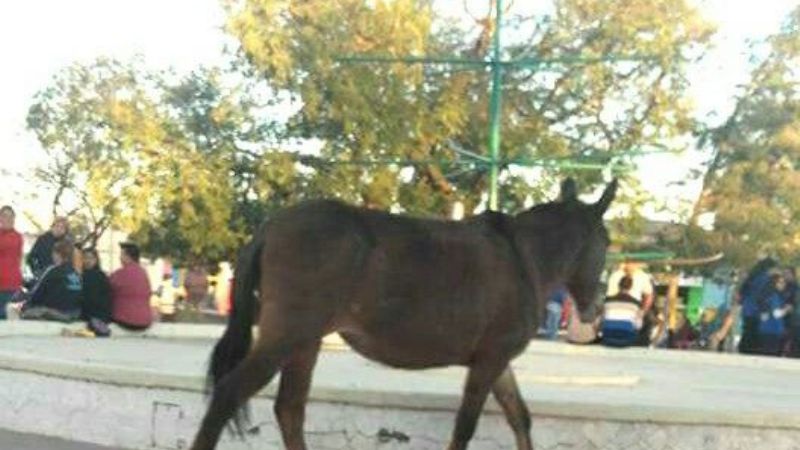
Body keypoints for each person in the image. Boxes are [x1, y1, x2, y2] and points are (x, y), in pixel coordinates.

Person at [20, 240, 82, 322]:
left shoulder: (53, 271)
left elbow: (38, 293)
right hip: (73, 313)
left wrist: (25, 305)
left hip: (54, 312)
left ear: (57, 254)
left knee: (15, 309)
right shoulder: (76, 273)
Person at [606, 261, 654, 345]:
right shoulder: (617, 275)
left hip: (613, 308)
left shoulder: (615, 275)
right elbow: (649, 297)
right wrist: (642, 313)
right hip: (633, 309)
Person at [109, 242, 153, 330]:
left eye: (122, 255)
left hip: (126, 320)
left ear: (127, 256)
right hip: (145, 321)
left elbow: (106, 289)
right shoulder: (143, 273)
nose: (119, 258)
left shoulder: (119, 274)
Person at [738, 258, 777, 354]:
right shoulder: (767, 279)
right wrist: (765, 311)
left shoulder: (752, 277)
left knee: (747, 330)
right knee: (755, 332)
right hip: (757, 310)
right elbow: (764, 296)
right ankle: (751, 350)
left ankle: (743, 349)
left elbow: (742, 293)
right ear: (770, 268)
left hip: (747, 309)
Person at [757, 273, 792, 356]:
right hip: (772, 331)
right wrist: (787, 309)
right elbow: (776, 314)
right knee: (771, 356)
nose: (783, 284)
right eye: (780, 282)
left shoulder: (769, 295)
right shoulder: (774, 296)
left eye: (783, 282)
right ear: (774, 283)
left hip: (767, 330)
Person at [601, 276, 642, 347]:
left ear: (618, 285)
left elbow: (602, 320)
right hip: (626, 340)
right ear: (631, 287)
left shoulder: (607, 300)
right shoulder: (635, 303)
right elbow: (638, 325)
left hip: (607, 338)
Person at [81, 248, 112, 336]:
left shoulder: (100, 276)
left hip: (95, 312)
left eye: (90, 258)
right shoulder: (82, 275)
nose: (87, 261)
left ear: (96, 260)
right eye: (85, 258)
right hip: (100, 314)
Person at [0, 206, 23, 319]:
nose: (8, 218)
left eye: (11, 216)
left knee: (9, 319)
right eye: (5, 215)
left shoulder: (18, 237)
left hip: (13, 284)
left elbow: (18, 258)